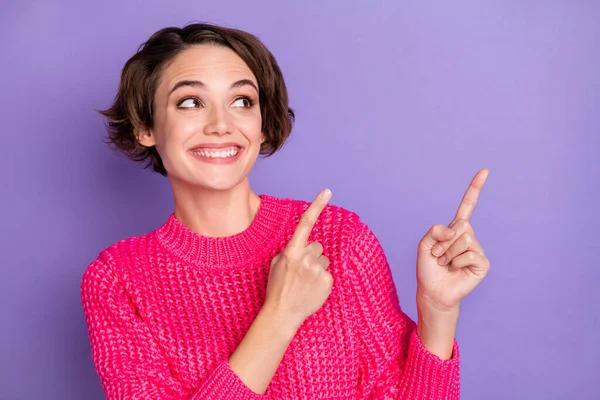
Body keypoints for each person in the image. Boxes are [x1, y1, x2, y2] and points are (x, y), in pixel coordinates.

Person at [80, 22, 491, 400]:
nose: (221, 124)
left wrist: (437, 311)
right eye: (190, 102)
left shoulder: (340, 238)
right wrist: (279, 316)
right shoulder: (117, 281)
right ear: (145, 127)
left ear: (262, 125)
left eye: (242, 100)